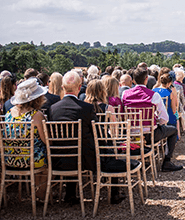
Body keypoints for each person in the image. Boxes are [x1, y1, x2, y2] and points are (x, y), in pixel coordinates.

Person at [48, 71, 136, 204]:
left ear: (62, 87)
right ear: (79, 87)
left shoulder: (52, 109)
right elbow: (99, 135)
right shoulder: (86, 108)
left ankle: (70, 194)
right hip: (85, 160)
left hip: (58, 159)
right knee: (107, 149)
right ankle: (114, 193)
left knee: (72, 148)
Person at [121, 67, 183, 172]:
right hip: (150, 134)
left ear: (134, 80)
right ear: (146, 79)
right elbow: (164, 119)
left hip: (131, 134)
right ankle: (167, 162)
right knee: (173, 130)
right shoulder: (153, 95)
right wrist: (155, 121)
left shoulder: (125, 94)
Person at [5, 78, 48, 199]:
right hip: (30, 160)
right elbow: (46, 141)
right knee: (48, 161)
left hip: (11, 160)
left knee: (38, 152)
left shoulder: (9, 113)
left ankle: (37, 191)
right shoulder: (36, 116)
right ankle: (40, 192)